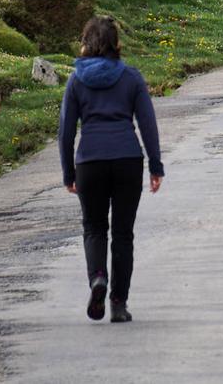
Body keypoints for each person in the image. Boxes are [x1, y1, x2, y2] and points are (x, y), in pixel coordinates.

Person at [59, 16, 164, 323]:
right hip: (127, 160)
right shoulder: (131, 77)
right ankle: (118, 303)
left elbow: (65, 131)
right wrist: (155, 166)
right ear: (118, 44)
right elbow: (148, 125)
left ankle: (98, 278)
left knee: (93, 227)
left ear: (86, 43)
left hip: (89, 162)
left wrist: (68, 173)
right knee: (122, 233)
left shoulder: (76, 79)